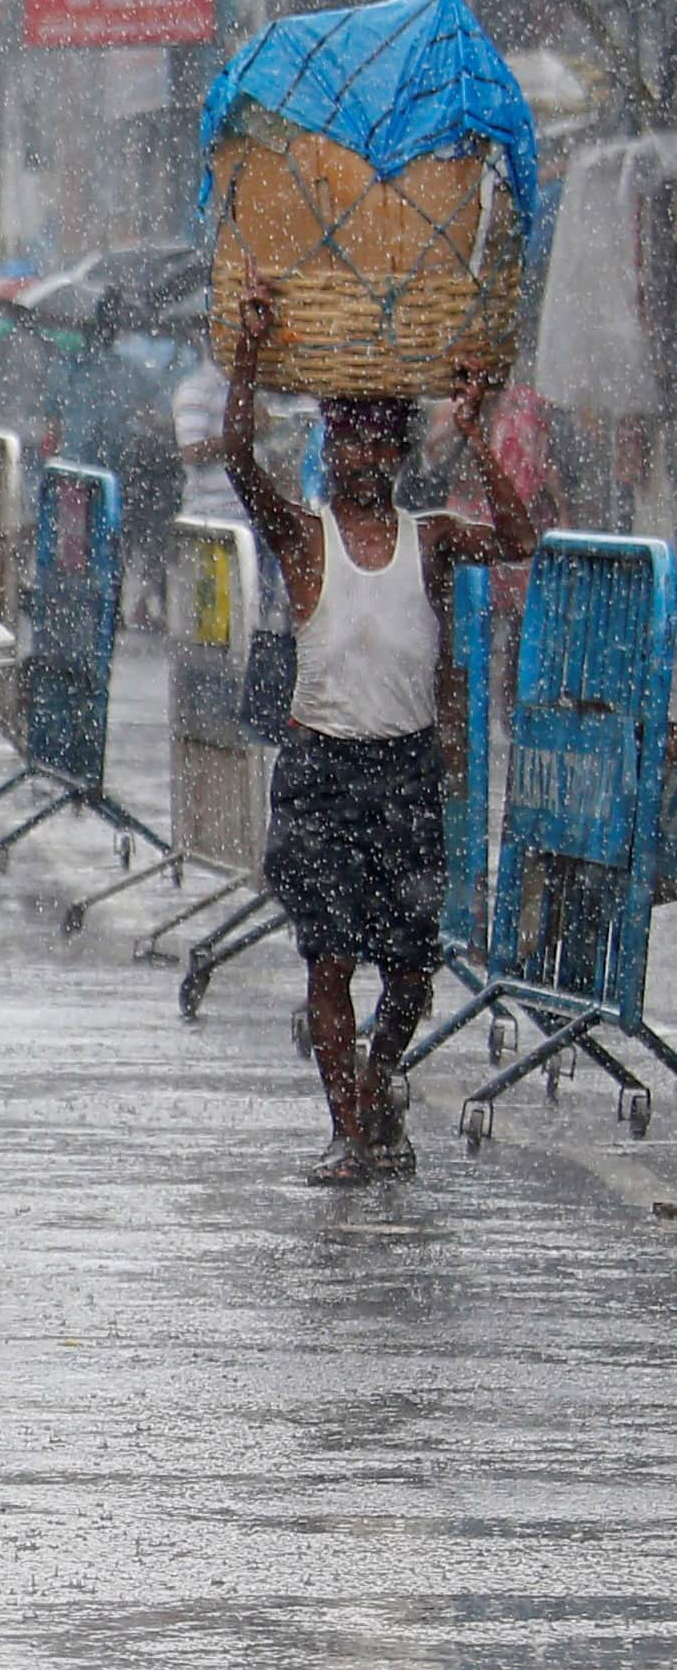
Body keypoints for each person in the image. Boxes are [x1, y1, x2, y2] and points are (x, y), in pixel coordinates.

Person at [222, 287, 538, 1183]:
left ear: (399, 455)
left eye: (381, 443)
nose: (366, 457)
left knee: (409, 971)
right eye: (352, 440)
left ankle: (375, 1078)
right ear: (333, 449)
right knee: (330, 958)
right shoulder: (303, 536)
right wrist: (248, 355)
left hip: (402, 770)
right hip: (323, 768)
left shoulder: (430, 539)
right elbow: (240, 457)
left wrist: (473, 427)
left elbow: (517, 536)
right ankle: (346, 1130)